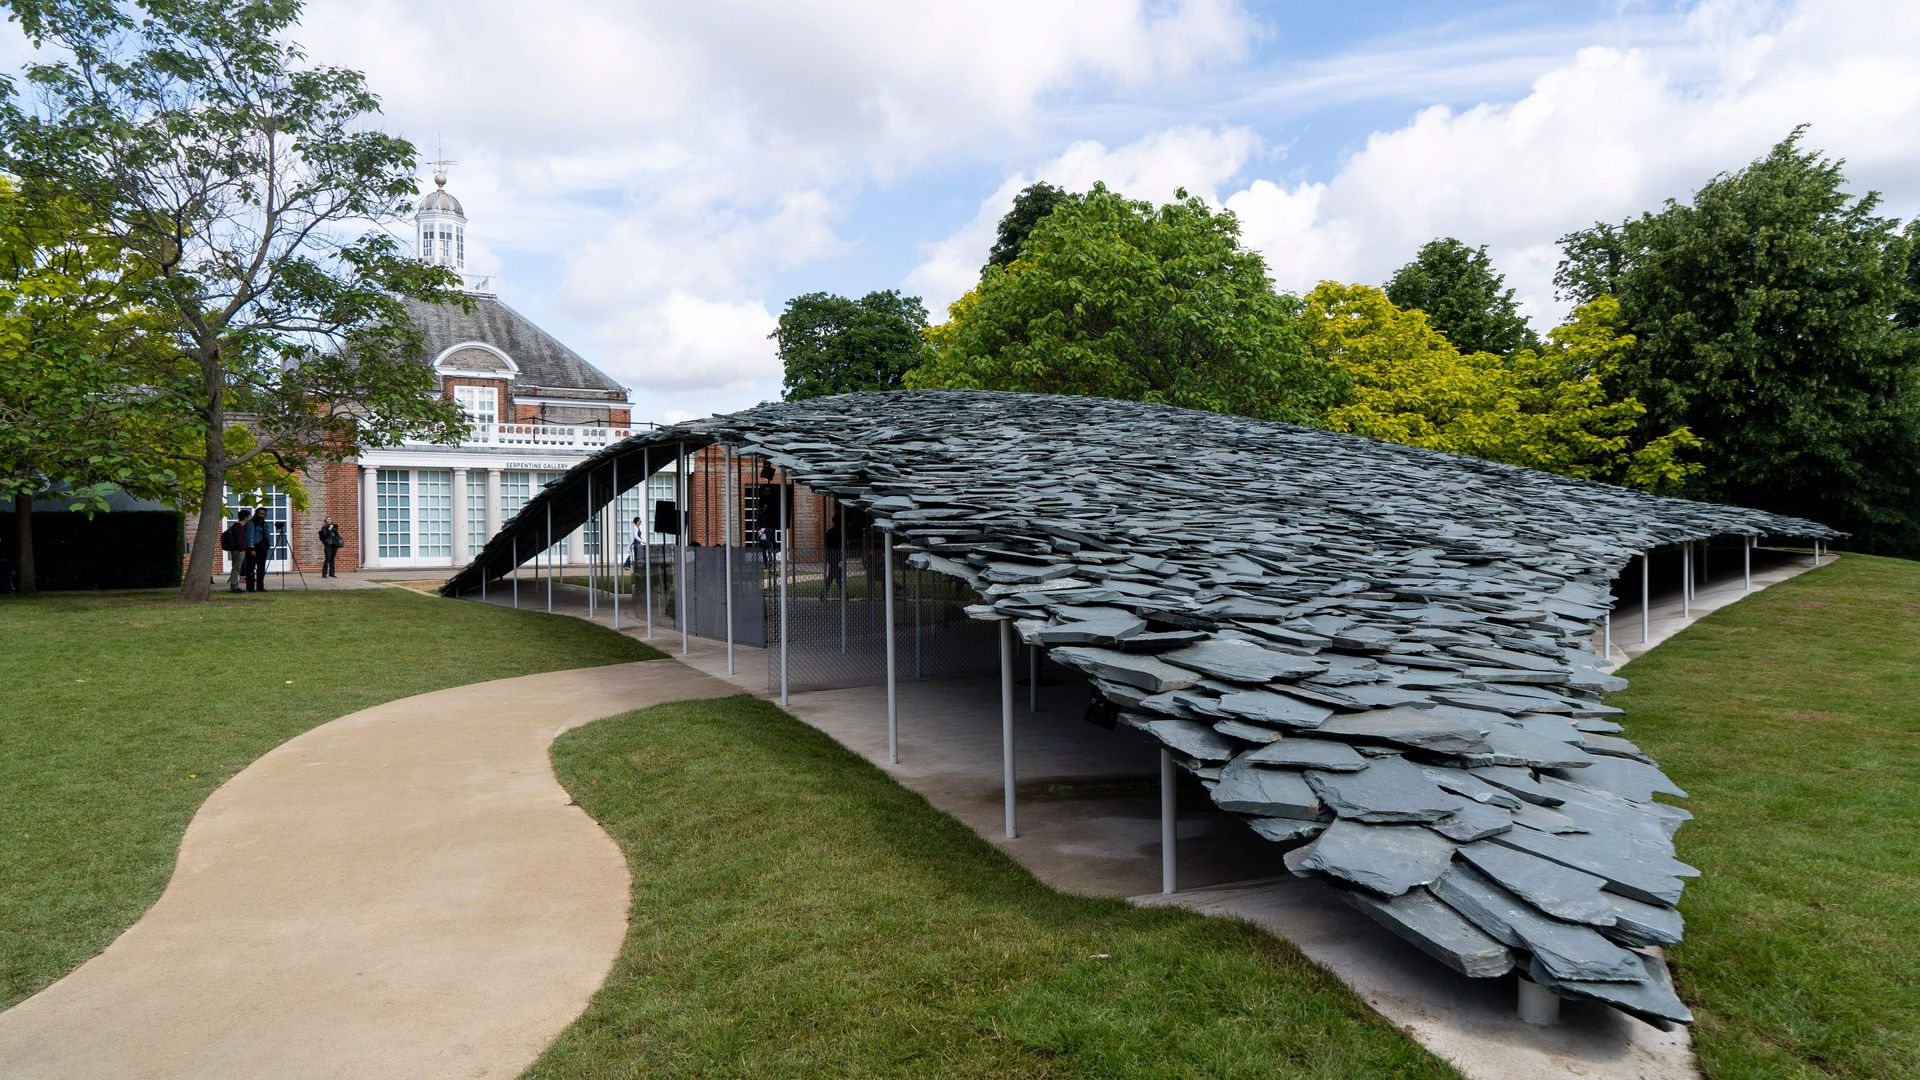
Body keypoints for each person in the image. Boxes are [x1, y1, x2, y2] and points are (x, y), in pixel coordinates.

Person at [225, 508, 252, 593]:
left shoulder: (238, 526)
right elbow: (238, 539)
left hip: (238, 550)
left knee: (236, 568)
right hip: (238, 551)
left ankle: (234, 585)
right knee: (236, 568)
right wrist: (241, 549)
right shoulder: (238, 526)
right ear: (245, 517)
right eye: (249, 516)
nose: (250, 518)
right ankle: (234, 586)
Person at [244, 507, 270, 592]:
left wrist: (267, 544)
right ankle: (250, 588)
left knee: (261, 568)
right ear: (256, 513)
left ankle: (260, 587)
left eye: (263, 514)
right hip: (254, 548)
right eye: (260, 513)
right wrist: (251, 549)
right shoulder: (251, 523)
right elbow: (249, 536)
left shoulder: (265, 523)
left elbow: (267, 535)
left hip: (263, 548)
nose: (261, 515)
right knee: (251, 568)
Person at [820, 521, 844, 600]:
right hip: (835, 556)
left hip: (832, 557)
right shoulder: (838, 532)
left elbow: (827, 543)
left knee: (836, 577)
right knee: (833, 577)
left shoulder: (831, 532)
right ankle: (824, 593)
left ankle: (843, 594)